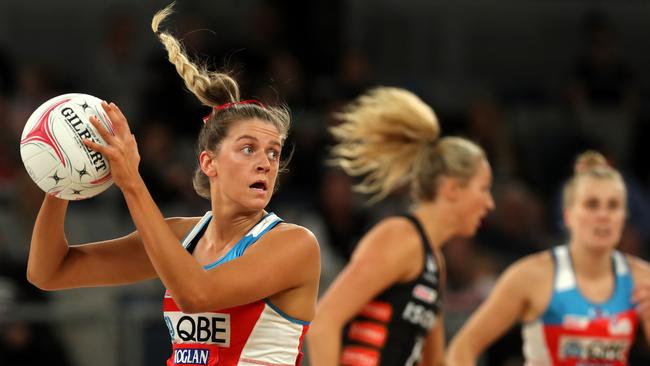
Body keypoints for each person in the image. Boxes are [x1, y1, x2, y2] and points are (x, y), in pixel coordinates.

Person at [25, 4, 320, 365]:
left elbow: (196, 294)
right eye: (248, 149)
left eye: (273, 153)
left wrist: (132, 181)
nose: (265, 162)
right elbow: (48, 272)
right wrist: (62, 175)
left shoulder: (294, 244)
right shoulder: (181, 237)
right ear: (208, 162)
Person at [307, 87, 495, 365]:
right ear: (452, 189)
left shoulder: (435, 262)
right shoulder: (400, 236)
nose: (490, 203)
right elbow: (323, 323)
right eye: (484, 189)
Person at [447, 151, 650, 365]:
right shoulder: (532, 275)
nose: (603, 216)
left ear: (624, 218)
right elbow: (462, 348)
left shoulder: (642, 279)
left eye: (613, 206)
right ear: (568, 215)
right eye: (591, 204)